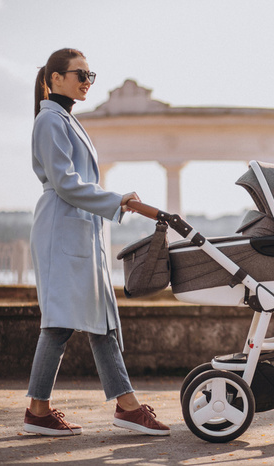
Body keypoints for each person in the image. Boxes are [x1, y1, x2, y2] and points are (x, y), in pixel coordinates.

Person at [23, 48, 169, 437]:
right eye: (79, 75)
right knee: (60, 321)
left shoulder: (65, 119)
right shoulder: (49, 121)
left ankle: (120, 405)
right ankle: (118, 407)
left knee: (100, 319)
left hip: (77, 227)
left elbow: (74, 184)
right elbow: (65, 183)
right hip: (61, 229)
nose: (87, 81)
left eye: (90, 75)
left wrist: (110, 203)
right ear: (55, 79)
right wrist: (116, 199)